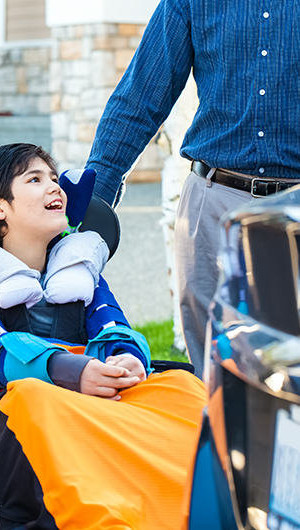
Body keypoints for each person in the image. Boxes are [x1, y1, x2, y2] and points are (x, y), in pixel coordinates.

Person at [0, 144, 206, 529]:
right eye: (35, 180)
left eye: (54, 179)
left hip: (93, 385)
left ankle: (198, 506)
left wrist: (127, 359)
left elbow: (112, 327)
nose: (54, 188)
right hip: (17, 400)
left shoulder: (78, 272)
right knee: (35, 397)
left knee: (182, 387)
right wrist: (73, 371)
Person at [85, 0, 300, 375]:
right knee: (212, 374)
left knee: (289, 374)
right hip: (213, 202)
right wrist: (94, 198)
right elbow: (142, 94)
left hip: (295, 205)